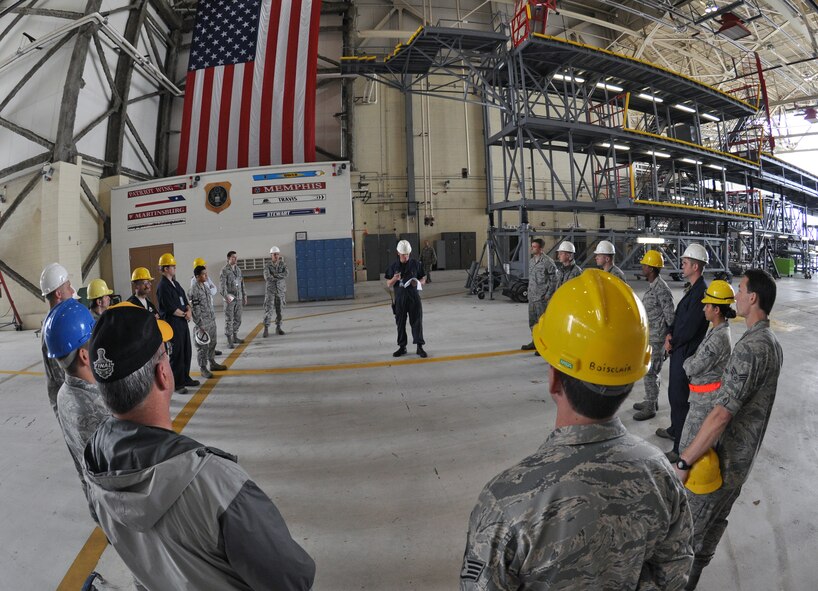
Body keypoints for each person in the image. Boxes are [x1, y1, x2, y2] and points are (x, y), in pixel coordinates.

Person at [461, 270, 693, 590]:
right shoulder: (662, 477)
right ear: (632, 379)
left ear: (554, 379)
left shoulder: (505, 502)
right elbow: (675, 577)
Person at [83, 304, 316, 590]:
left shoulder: (95, 461)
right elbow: (291, 581)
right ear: (163, 373)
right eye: (166, 352)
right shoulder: (215, 483)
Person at [674, 269, 782, 590]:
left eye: (740, 289)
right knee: (712, 527)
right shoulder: (770, 343)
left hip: (723, 461)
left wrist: (685, 460)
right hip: (742, 462)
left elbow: (721, 415)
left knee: (689, 532)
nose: (736, 294)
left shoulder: (750, 349)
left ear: (753, 298)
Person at [43, 298, 109, 522]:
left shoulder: (62, 394)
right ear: (83, 355)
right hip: (118, 512)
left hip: (97, 504)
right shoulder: (101, 407)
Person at [658, 244, 709, 462]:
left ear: (695, 266)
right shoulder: (691, 288)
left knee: (679, 399)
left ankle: (680, 446)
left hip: (686, 353)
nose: (682, 265)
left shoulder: (701, 293)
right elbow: (679, 318)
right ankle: (674, 428)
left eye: (685, 262)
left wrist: (673, 342)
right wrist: (669, 333)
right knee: (673, 394)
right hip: (678, 347)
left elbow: (689, 328)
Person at [678, 280, 735, 451]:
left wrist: (687, 361)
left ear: (716, 310)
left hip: (705, 404)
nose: (704, 309)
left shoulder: (719, 337)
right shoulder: (717, 330)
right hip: (701, 399)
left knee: (687, 447)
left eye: (707, 306)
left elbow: (692, 367)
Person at [633, 250, 676, 421]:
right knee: (651, 371)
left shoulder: (662, 289)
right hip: (651, 336)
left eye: (644, 265)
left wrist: (668, 338)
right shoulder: (653, 286)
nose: (642, 267)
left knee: (650, 372)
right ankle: (651, 400)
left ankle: (650, 406)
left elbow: (670, 316)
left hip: (658, 338)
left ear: (651, 268)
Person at [155, 252, 198, 394]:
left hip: (182, 322)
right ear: (165, 268)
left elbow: (185, 301)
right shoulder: (162, 287)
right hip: (173, 323)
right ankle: (177, 383)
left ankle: (185, 377)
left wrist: (189, 310)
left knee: (186, 350)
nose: (174, 268)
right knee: (177, 353)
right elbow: (169, 307)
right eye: (172, 266)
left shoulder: (175, 283)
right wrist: (185, 314)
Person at [39, 262, 74, 418]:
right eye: (68, 287)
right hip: (68, 405)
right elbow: (62, 378)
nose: (72, 291)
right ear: (59, 294)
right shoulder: (55, 327)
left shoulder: (56, 321)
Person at [385, 239, 427, 358]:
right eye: (403, 254)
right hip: (400, 300)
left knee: (417, 322)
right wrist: (394, 279)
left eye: (407, 254)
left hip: (414, 298)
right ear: (398, 253)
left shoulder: (415, 264)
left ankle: (419, 347)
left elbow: (424, 278)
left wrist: (419, 282)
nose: (406, 256)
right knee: (400, 323)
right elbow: (388, 284)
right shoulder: (393, 266)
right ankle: (402, 347)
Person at [189, 265, 227, 379]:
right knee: (202, 347)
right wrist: (200, 324)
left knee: (212, 343)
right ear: (197, 276)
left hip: (211, 319)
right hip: (203, 323)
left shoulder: (205, 287)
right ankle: (203, 368)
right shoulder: (193, 290)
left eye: (206, 273)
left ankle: (212, 363)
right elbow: (195, 309)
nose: (206, 276)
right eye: (203, 274)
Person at [520, 238, 556, 352]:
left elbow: (554, 279)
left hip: (541, 298)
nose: (532, 248)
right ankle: (535, 342)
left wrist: (548, 294)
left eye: (534, 247)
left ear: (541, 249)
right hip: (532, 297)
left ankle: (543, 346)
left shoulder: (547, 262)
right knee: (532, 322)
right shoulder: (531, 261)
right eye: (532, 246)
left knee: (542, 323)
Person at [188, 258, 222, 356]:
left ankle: (212, 353)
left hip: (209, 311)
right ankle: (205, 361)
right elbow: (195, 307)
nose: (206, 275)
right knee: (203, 341)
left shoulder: (205, 280)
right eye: (204, 266)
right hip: (203, 316)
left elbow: (214, 289)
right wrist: (200, 323)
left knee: (212, 337)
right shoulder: (194, 285)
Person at [220, 250, 247, 348]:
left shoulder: (238, 270)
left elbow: (242, 284)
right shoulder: (224, 270)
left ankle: (235, 336)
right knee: (229, 320)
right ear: (228, 259)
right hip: (230, 299)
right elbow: (222, 287)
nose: (235, 259)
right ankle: (229, 340)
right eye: (233, 257)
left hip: (239, 298)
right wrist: (227, 297)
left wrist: (244, 296)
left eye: (236, 257)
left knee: (238, 319)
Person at [263, 246, 289, 338]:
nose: (276, 256)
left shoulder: (283, 264)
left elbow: (286, 274)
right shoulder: (267, 265)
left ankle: (278, 327)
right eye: (274, 254)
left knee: (280, 311)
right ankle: (266, 328)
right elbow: (267, 277)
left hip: (280, 291)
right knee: (268, 310)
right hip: (270, 291)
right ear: (271, 255)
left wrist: (275, 275)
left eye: (277, 254)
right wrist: (278, 277)